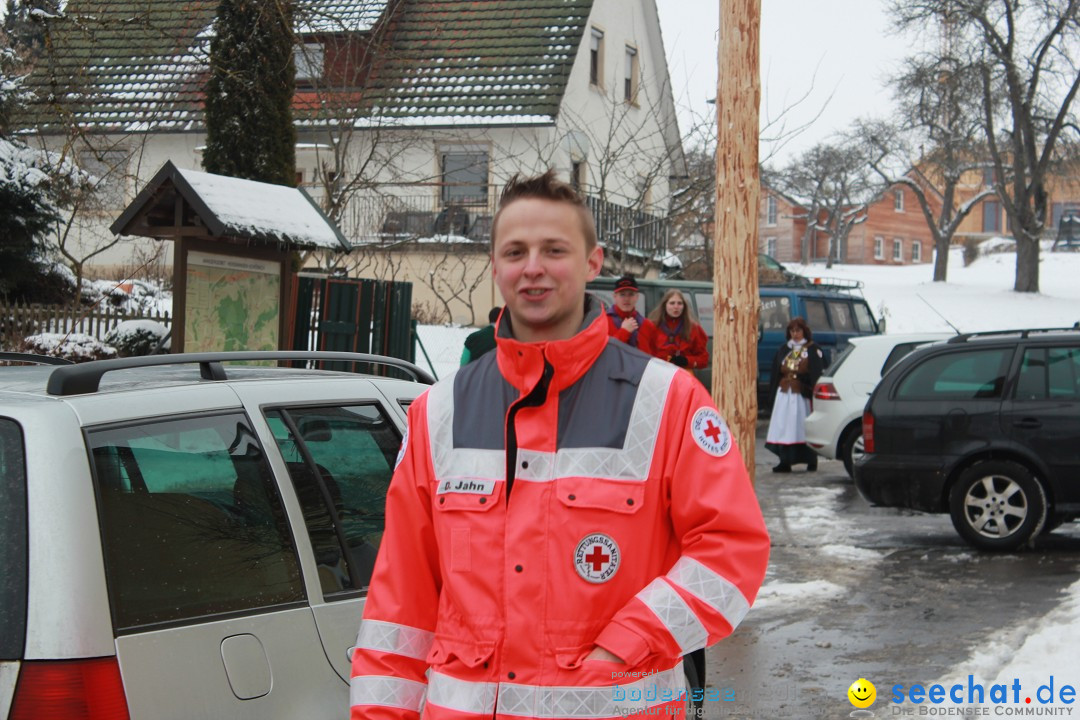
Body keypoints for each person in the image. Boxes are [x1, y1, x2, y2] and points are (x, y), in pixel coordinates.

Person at [349, 170, 770, 720]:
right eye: (516, 251)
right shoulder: (438, 413)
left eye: (554, 249)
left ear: (592, 262)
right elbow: (400, 600)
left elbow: (730, 550)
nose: (533, 268)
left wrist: (630, 639)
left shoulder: (668, 400)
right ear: (495, 265)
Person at [764, 316, 824, 473]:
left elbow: (817, 373)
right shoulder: (784, 349)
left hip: (801, 395)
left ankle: (811, 459)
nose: (795, 334)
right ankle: (785, 461)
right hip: (784, 394)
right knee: (784, 426)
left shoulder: (812, 349)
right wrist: (772, 395)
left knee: (801, 426)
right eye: (792, 330)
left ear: (804, 331)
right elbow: (776, 372)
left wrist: (810, 390)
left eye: (798, 330)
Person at [642, 289, 710, 371]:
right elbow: (643, 355)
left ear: (684, 306)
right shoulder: (651, 326)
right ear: (665, 305)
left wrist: (687, 361)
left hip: (682, 376)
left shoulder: (694, 328)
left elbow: (703, 359)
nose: (676, 307)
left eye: (679, 303)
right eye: (672, 303)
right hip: (658, 374)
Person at [605, 274, 657, 352]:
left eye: (631, 294)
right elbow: (604, 353)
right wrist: (624, 332)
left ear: (637, 297)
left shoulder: (647, 325)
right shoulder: (603, 322)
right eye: (622, 294)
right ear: (615, 296)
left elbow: (653, 357)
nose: (626, 299)